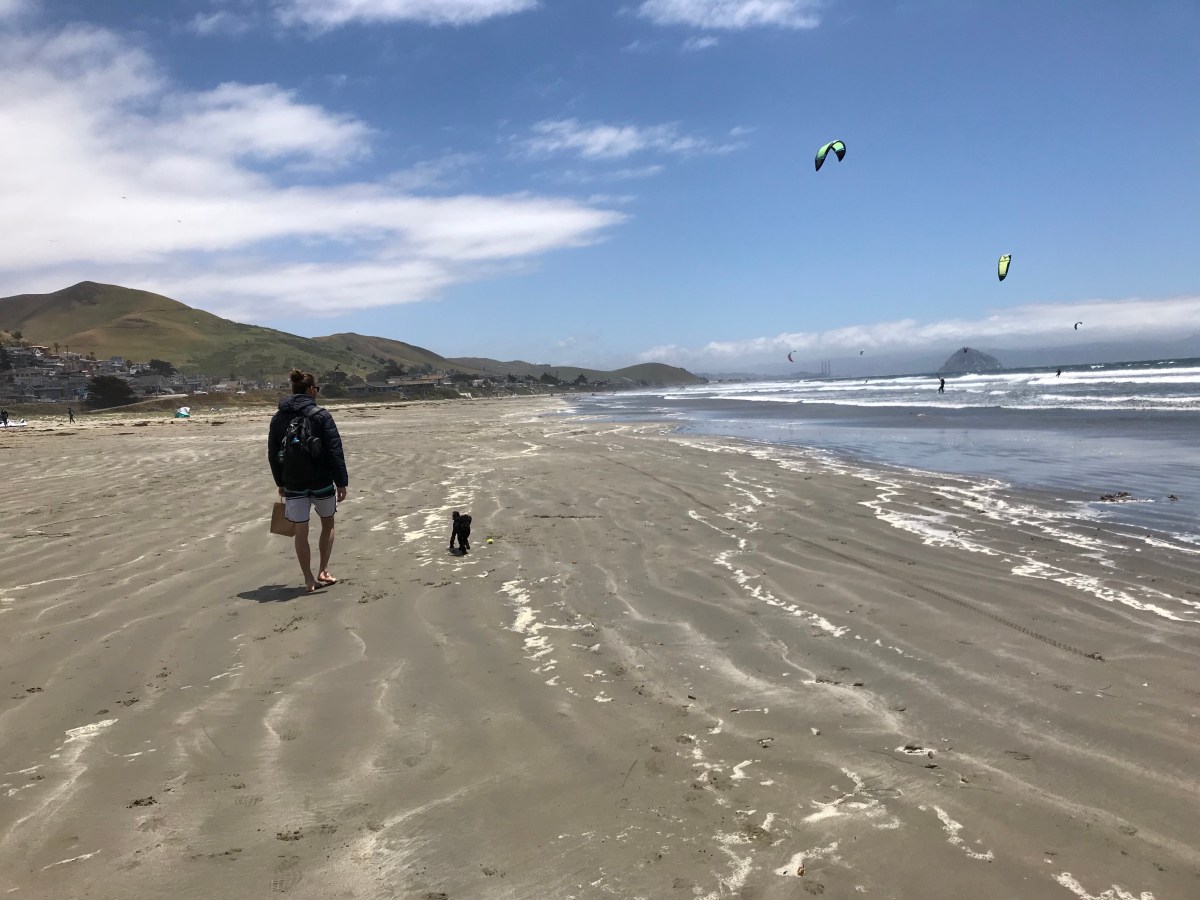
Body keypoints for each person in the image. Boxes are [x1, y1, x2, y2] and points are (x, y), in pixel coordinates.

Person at [268, 368, 349, 593]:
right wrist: (341, 482)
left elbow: (273, 453)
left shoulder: (278, 418)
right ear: (311, 389)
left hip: (293, 483)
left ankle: (308, 579)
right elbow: (334, 451)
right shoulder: (321, 416)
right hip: (321, 480)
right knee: (328, 524)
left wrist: (280, 483)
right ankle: (324, 570)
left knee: (301, 532)